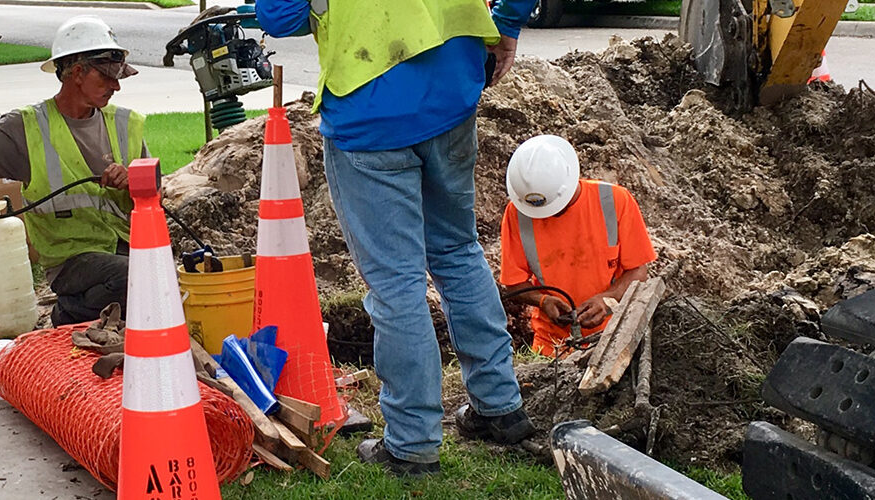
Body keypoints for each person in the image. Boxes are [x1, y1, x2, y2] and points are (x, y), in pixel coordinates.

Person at [258, 0, 537, 477]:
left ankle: (413, 443)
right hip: (451, 84)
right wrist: (507, 23)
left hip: (369, 104)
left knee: (396, 282)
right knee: (457, 250)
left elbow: (279, 17)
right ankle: (500, 408)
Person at [0, 16, 147, 327]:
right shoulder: (27, 127)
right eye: (106, 77)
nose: (116, 86)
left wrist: (133, 181)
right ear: (77, 72)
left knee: (162, 281)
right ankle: (70, 315)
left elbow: (156, 190)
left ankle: (88, 312)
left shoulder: (124, 123)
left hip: (126, 248)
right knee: (133, 279)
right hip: (71, 260)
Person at [500, 135, 658, 357]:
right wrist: (543, 301)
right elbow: (514, 285)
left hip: (613, 336)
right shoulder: (518, 214)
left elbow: (638, 271)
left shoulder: (613, 201)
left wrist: (607, 299)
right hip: (551, 344)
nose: (548, 215)